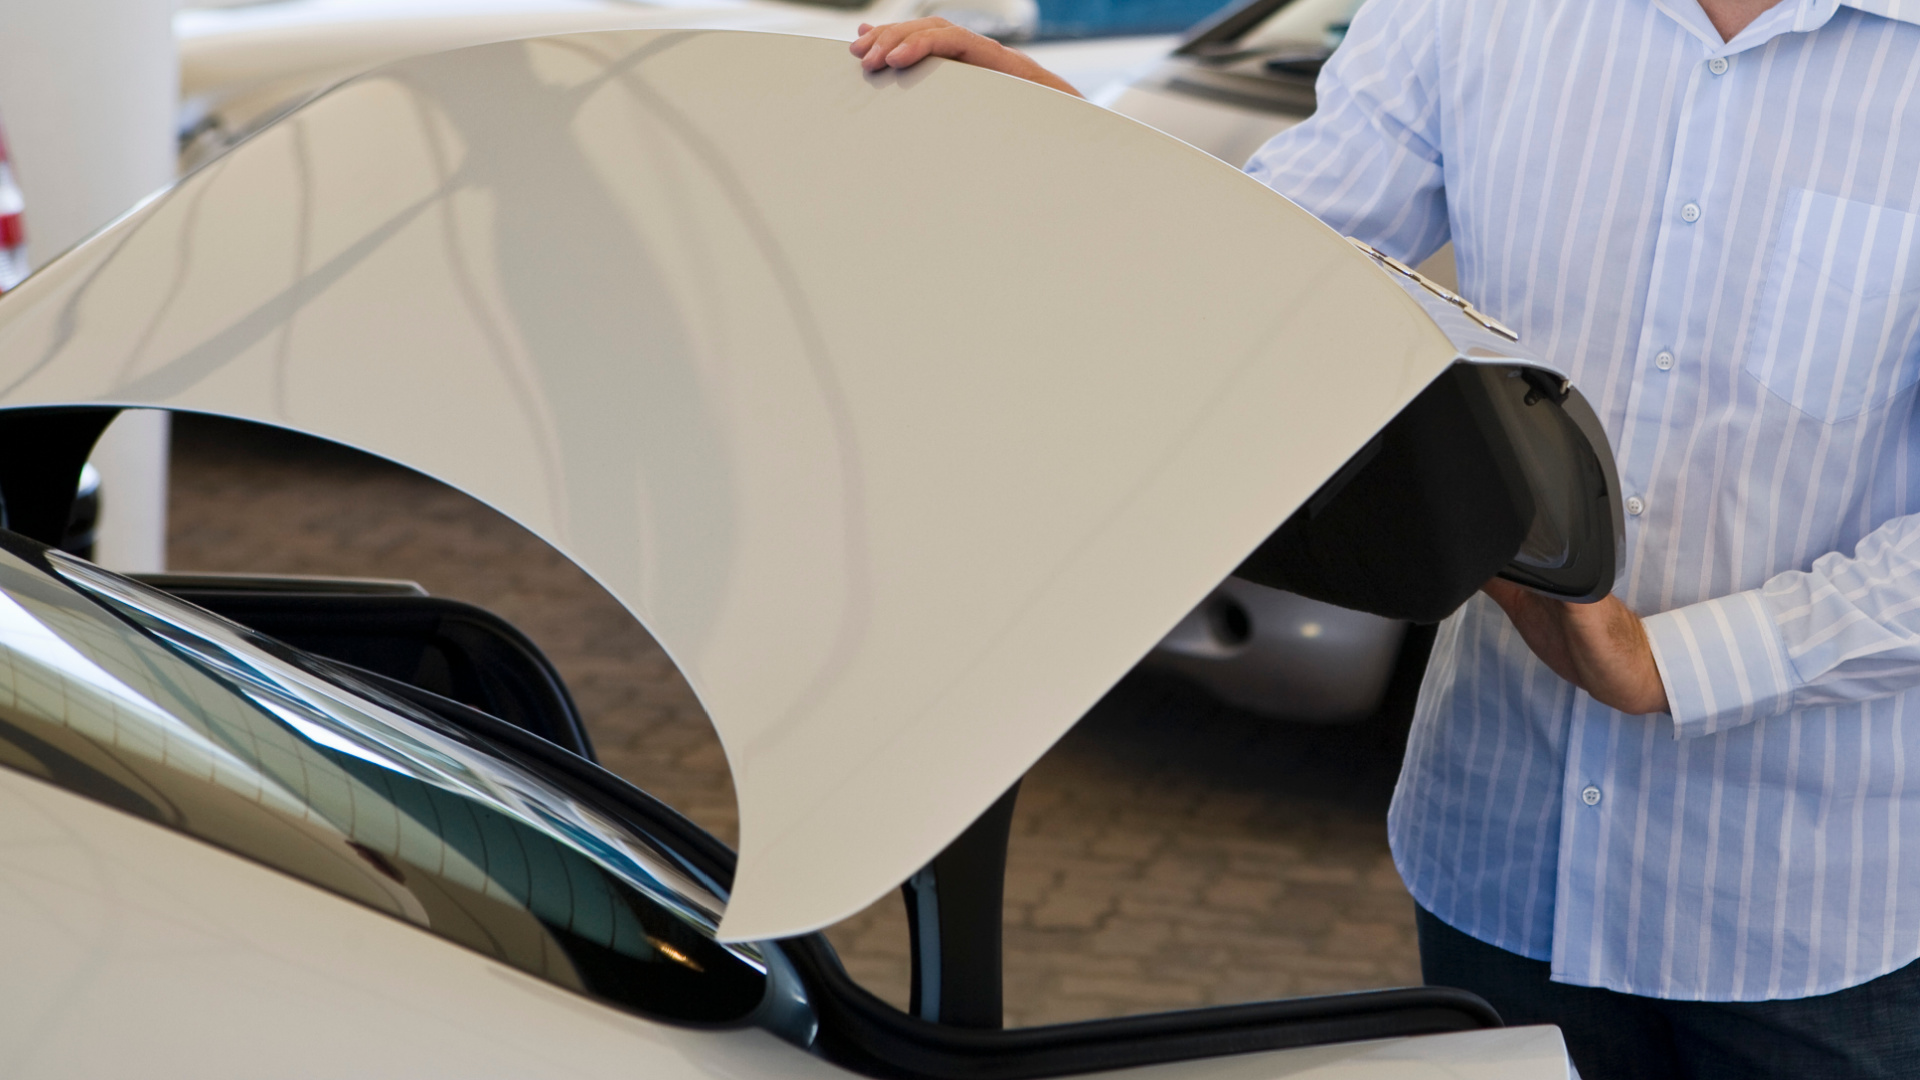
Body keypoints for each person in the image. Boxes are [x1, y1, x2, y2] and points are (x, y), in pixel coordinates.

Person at [855, 2, 1920, 1076]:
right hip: (1503, 865)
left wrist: (1666, 665)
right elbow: (1279, 265)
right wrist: (1062, 145)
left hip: (1812, 927)